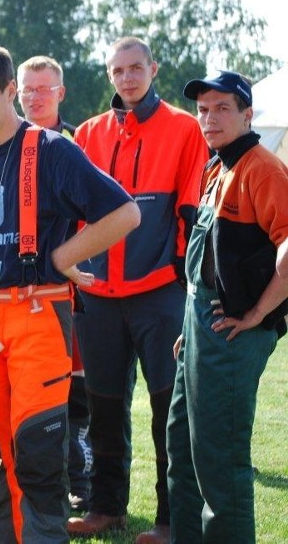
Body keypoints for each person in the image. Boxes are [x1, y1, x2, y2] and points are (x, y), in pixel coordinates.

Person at [0, 44, 140, 543]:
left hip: (39, 315)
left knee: (39, 453)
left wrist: (61, 258)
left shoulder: (52, 150)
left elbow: (126, 213)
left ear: (10, 91)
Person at [67, 37, 210, 544]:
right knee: (104, 405)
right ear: (109, 75)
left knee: (170, 409)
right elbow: (72, 209)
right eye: (117, 70)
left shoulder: (185, 128)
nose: (127, 78)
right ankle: (107, 507)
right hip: (98, 295)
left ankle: (173, 518)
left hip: (159, 291)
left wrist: (179, 272)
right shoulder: (87, 133)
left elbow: (190, 204)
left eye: (135, 68)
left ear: (153, 68)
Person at [166, 70, 288, 543]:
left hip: (233, 334)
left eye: (222, 108)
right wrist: (189, 327)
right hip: (199, 325)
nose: (210, 118)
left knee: (219, 459)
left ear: (247, 114)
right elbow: (206, 261)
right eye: (203, 109)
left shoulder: (262, 168)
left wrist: (258, 316)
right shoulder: (217, 165)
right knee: (181, 448)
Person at [17, 55, 93, 512]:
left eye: (44, 88)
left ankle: (81, 480)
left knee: (75, 390)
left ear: (60, 93)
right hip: (16, 295)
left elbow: (104, 211)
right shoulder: (3, 142)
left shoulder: (76, 144)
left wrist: (67, 259)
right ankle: (35, 482)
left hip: (72, 288)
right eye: (27, 89)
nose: (35, 97)